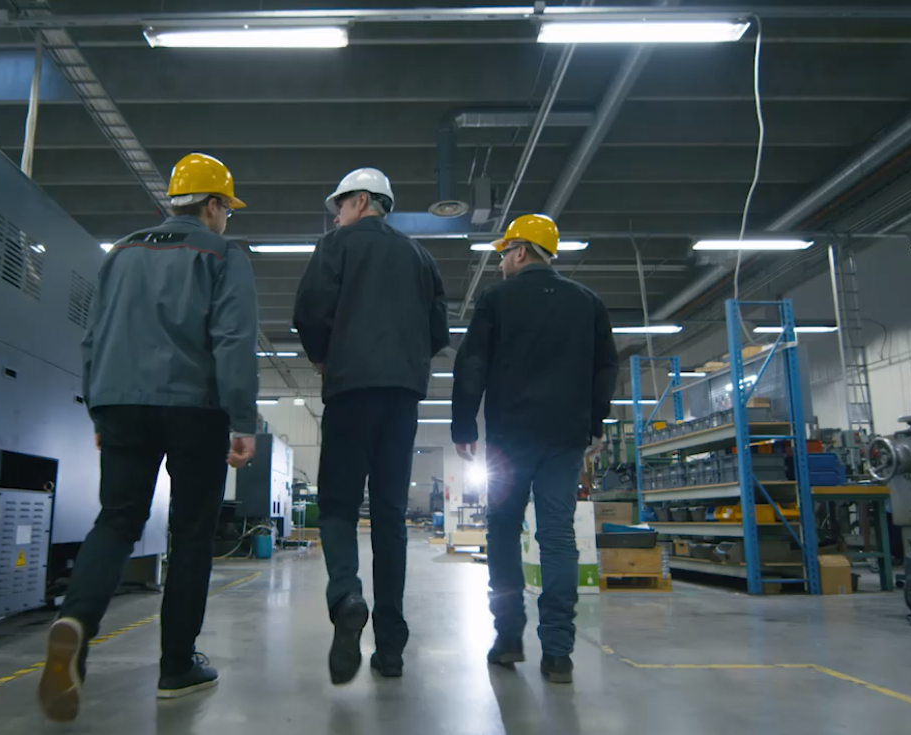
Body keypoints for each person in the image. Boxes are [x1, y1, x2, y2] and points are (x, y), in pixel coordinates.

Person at [38, 153, 259, 721]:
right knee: (189, 533)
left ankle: (77, 622)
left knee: (116, 519)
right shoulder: (222, 253)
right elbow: (232, 339)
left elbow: (93, 336)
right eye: (226, 209)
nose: (226, 219)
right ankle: (176, 667)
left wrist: (97, 410)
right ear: (212, 206)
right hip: (195, 408)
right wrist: (242, 420)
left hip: (119, 403)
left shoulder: (122, 252)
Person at [294, 168, 449, 684]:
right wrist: (403, 366)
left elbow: (309, 312)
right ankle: (391, 650)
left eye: (340, 204)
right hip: (401, 400)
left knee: (337, 507)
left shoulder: (335, 245)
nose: (336, 215)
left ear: (362, 200)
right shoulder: (420, 257)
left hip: (349, 391)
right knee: (389, 517)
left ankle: (346, 596)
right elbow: (438, 330)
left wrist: (324, 357)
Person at [450, 213, 618, 684]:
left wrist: (463, 424)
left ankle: (507, 640)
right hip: (564, 439)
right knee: (558, 538)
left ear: (521, 252)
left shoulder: (497, 299)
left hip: (509, 439)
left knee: (502, 533)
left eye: (505, 253)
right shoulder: (588, 303)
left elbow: (472, 365)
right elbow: (605, 368)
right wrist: (594, 422)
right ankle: (559, 653)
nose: (502, 261)